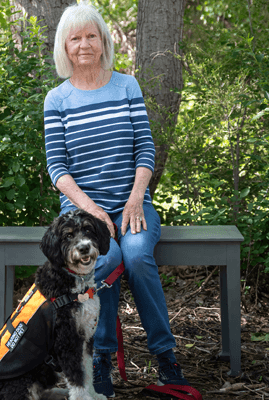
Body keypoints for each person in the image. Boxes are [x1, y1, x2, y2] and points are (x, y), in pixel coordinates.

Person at [44, 1, 189, 397]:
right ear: (65, 46)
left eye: (92, 35)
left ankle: (166, 359)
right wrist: (93, 212)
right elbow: (58, 169)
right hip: (83, 217)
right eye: (76, 38)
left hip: (133, 206)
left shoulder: (126, 86)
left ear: (104, 41)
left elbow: (145, 148)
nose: (85, 44)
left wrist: (135, 198)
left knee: (138, 257)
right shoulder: (56, 100)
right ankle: (100, 361)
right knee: (106, 261)